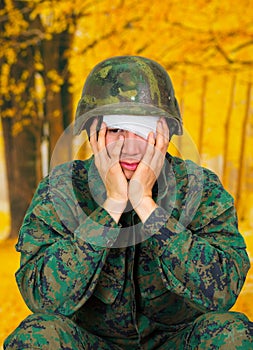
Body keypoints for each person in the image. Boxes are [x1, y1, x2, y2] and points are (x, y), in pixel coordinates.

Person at [4, 55, 253, 349]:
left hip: (177, 342)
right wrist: (112, 204)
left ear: (166, 134)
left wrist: (147, 206)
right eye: (116, 130)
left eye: (144, 131)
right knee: (37, 336)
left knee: (234, 334)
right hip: (91, 344)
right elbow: (42, 299)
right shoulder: (61, 189)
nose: (131, 148)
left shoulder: (200, 189)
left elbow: (223, 292)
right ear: (93, 134)